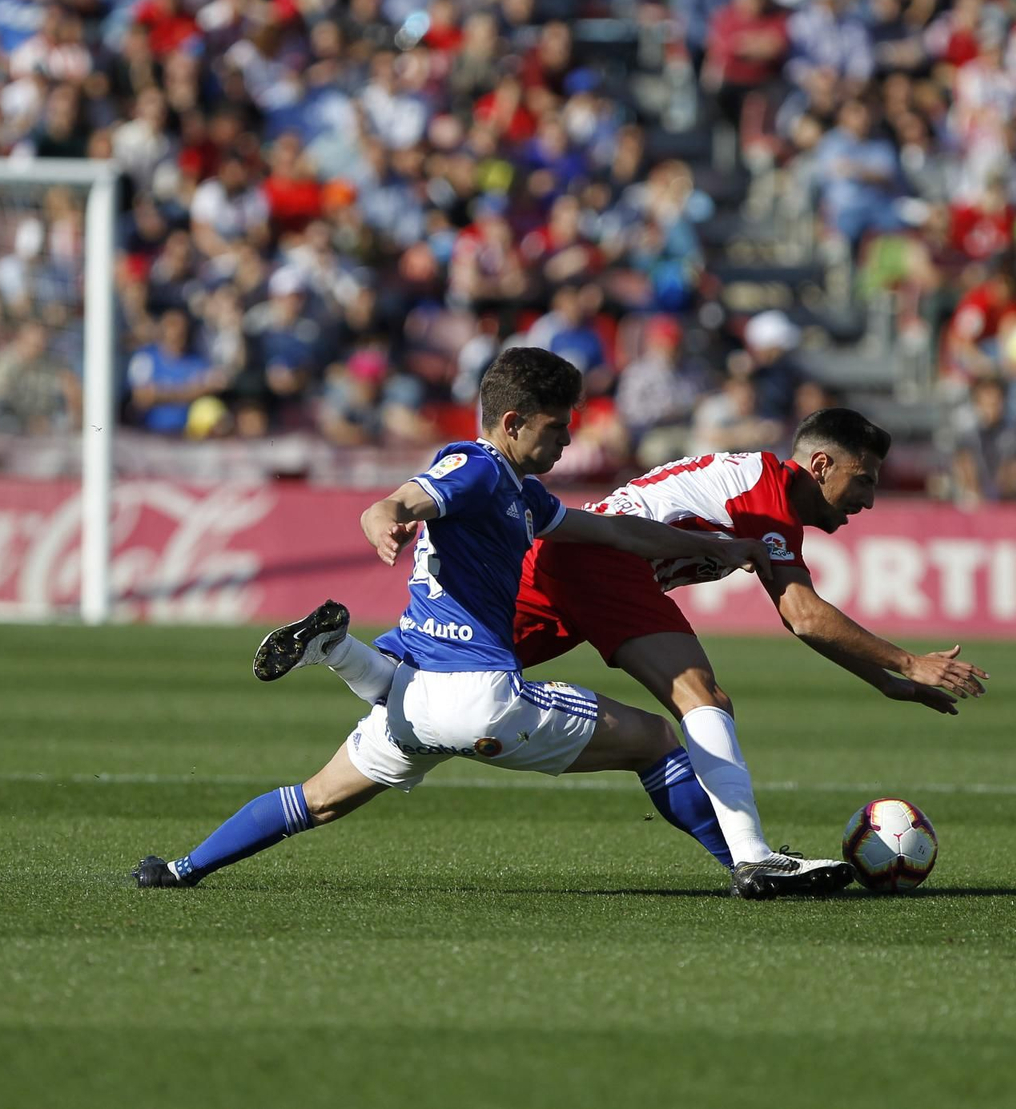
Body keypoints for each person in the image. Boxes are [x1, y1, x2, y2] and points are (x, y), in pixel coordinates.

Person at [135, 349, 852, 899]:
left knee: (316, 800)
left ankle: (182, 867)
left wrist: (715, 548)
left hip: (412, 700)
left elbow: (616, 533)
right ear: (512, 424)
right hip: (482, 697)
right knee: (659, 740)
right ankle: (751, 863)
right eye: (556, 427)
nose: (567, 441)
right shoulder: (476, 468)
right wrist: (384, 517)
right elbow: (408, 498)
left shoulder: (523, 495)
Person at [300, 406, 989, 883]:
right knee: (701, 695)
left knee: (422, 678)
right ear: (820, 463)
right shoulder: (769, 496)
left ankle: (336, 653)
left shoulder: (766, 491)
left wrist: (887, 680)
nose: (867, 499)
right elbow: (804, 616)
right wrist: (907, 661)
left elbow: (802, 614)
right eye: (863, 480)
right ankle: (752, 856)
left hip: (563, 567)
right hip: (602, 559)